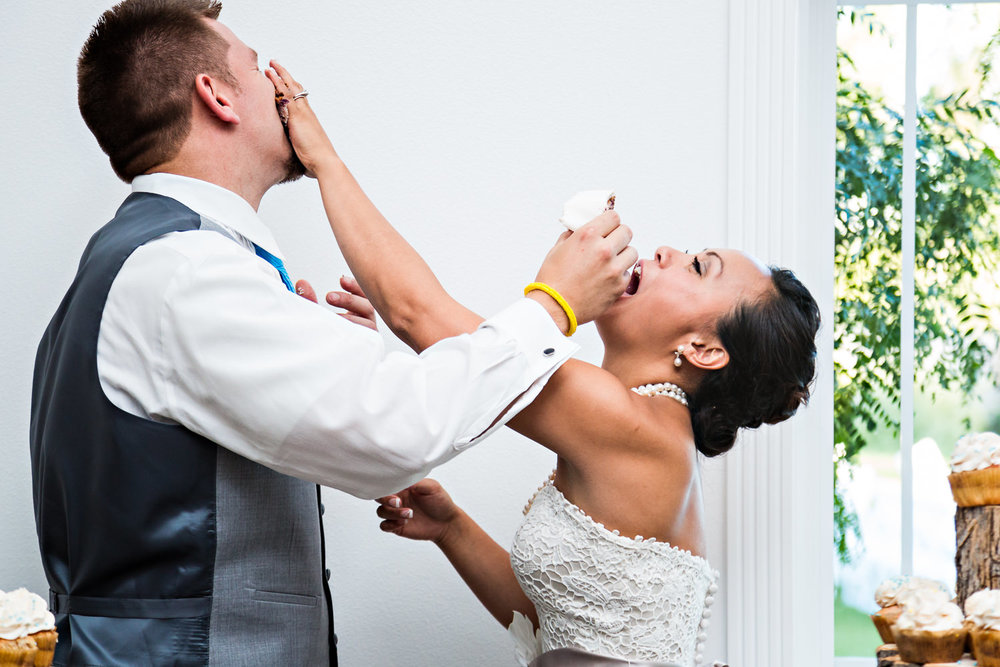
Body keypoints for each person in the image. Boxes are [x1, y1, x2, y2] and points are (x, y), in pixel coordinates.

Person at [29, 1, 637, 665]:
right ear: (217, 94)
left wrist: (338, 363)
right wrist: (553, 305)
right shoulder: (184, 270)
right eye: (257, 68)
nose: (281, 86)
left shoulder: (152, 260)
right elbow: (396, 431)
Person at [270, 61, 821, 667]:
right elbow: (561, 626)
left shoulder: (635, 427)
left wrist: (322, 158)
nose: (668, 250)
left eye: (698, 267)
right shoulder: (639, 428)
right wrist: (452, 527)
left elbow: (417, 314)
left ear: (705, 351)